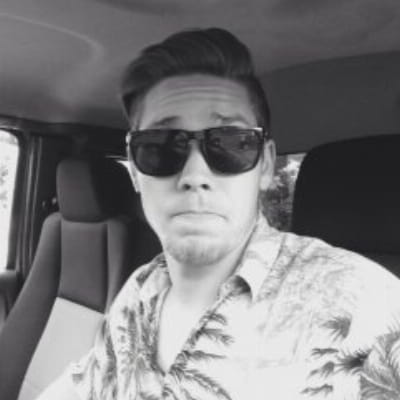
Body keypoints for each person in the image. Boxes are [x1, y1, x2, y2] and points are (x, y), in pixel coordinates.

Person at [38, 28, 400, 400]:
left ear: (265, 165)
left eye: (230, 144)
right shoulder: (139, 293)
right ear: (133, 170)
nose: (195, 176)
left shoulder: (362, 305)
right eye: (162, 147)